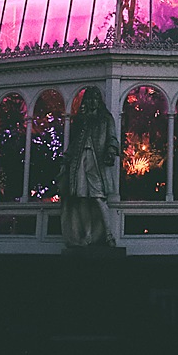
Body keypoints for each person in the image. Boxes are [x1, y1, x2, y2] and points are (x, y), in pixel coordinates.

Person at [58, 88, 120, 248]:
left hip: (96, 162)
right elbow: (74, 143)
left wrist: (111, 151)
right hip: (80, 161)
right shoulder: (81, 120)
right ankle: (87, 235)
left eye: (96, 99)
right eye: (90, 99)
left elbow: (112, 138)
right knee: (82, 198)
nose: (93, 102)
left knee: (98, 197)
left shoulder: (105, 119)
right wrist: (66, 159)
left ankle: (108, 234)